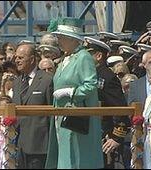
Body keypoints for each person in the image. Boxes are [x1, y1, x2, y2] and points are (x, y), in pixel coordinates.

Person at [45, 17, 103, 169]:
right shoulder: (65, 59)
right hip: (62, 118)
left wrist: (71, 92)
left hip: (77, 120)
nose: (59, 41)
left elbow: (91, 84)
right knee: (64, 157)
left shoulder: (83, 57)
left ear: (72, 39)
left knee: (77, 158)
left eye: (61, 37)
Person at [83, 36, 130, 169]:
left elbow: (121, 109)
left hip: (102, 136)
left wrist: (116, 137)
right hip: (88, 133)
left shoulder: (107, 78)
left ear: (98, 56)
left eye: (88, 54)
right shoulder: (88, 75)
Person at [12, 42, 54, 169]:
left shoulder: (47, 80)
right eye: (16, 57)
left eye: (20, 57)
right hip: (19, 145)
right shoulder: (17, 82)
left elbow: (53, 114)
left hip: (39, 146)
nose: (17, 60)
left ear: (31, 60)